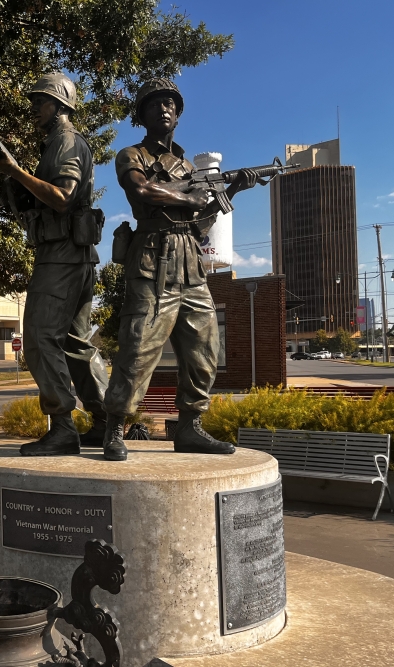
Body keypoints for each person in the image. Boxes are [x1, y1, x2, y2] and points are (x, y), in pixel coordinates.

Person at [101, 79, 256, 461]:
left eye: (171, 104)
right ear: (142, 114)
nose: (164, 109)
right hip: (153, 262)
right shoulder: (131, 155)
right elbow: (141, 191)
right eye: (155, 104)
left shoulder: (187, 166)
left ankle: (190, 427)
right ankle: (113, 429)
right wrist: (188, 196)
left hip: (190, 263)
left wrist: (231, 191)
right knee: (138, 348)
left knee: (204, 348)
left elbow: (199, 221)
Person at [0, 72, 109, 456]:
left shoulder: (65, 140)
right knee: (76, 344)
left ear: (59, 105)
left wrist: (15, 171)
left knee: (41, 339)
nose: (34, 110)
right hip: (73, 254)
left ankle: (62, 426)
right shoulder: (58, 143)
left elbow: (62, 197)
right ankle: (107, 421)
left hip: (60, 256)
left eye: (39, 102)